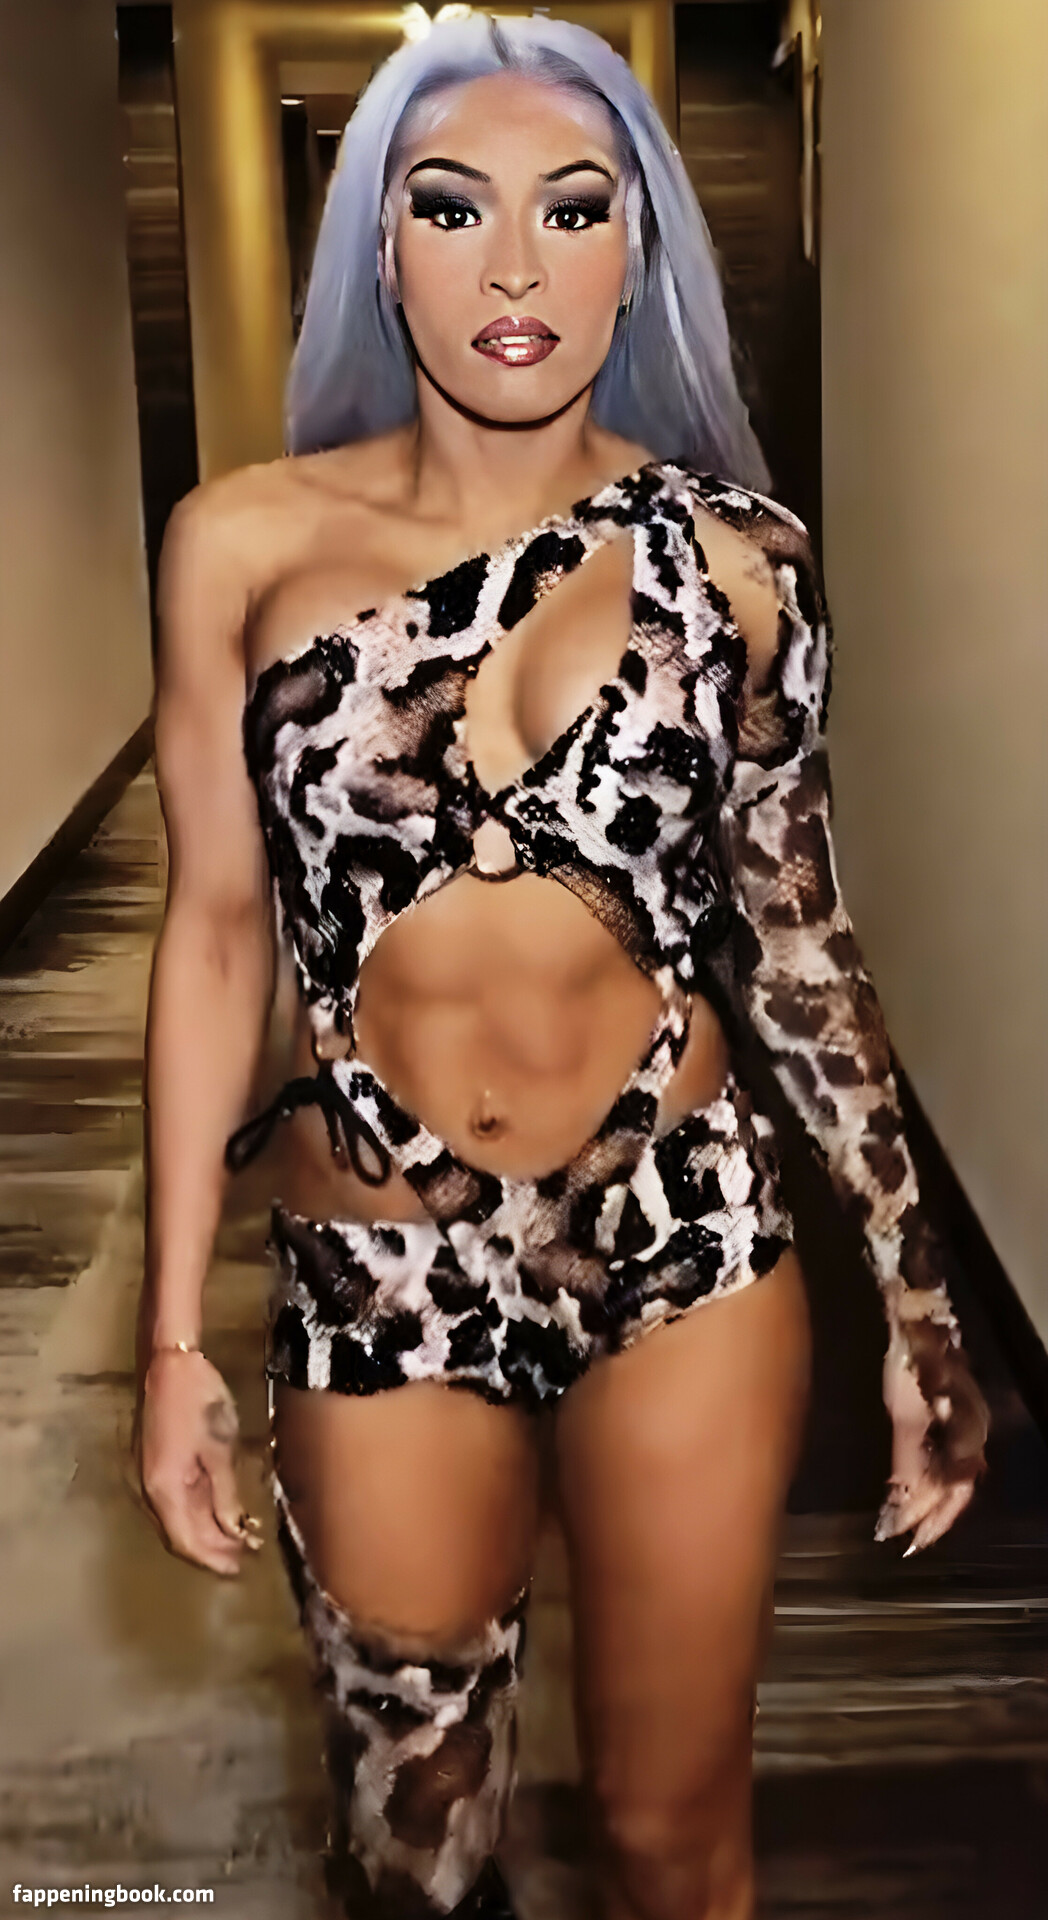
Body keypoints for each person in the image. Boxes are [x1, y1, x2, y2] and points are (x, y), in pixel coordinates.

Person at [133, 14, 990, 1920]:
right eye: (453, 208)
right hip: (381, 1255)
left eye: (574, 208)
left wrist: (918, 1297)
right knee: (415, 1857)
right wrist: (170, 1333)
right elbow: (212, 931)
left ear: (641, 249)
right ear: (382, 250)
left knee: (679, 1846)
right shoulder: (240, 546)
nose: (513, 265)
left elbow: (795, 935)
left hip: (687, 1234)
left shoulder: (742, 564)